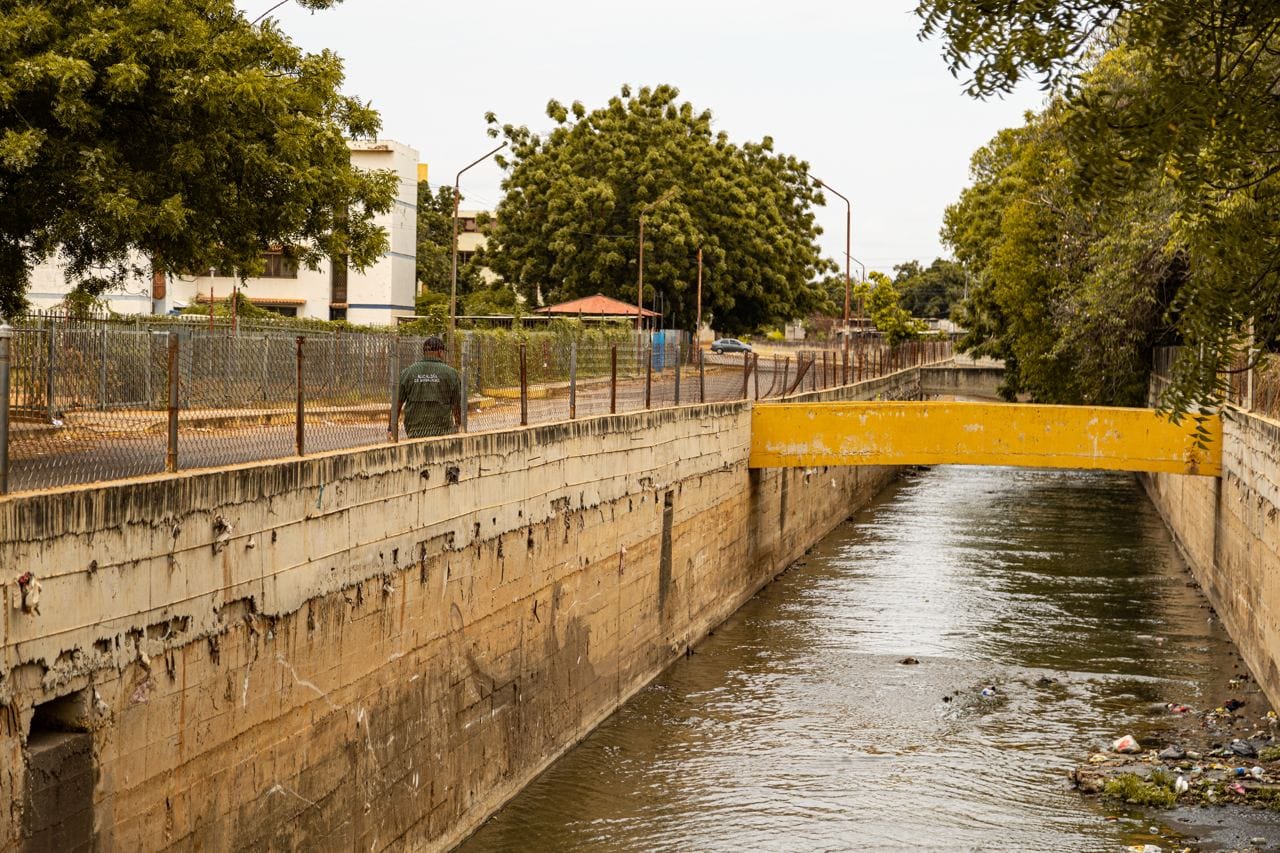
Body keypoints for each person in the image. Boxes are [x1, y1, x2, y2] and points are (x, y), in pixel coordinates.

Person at [396, 335, 461, 437]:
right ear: (440, 352)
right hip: (442, 430)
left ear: (424, 352)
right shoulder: (451, 373)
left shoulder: (408, 372)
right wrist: (458, 424)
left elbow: (397, 403)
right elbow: (456, 404)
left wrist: (391, 428)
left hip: (414, 429)